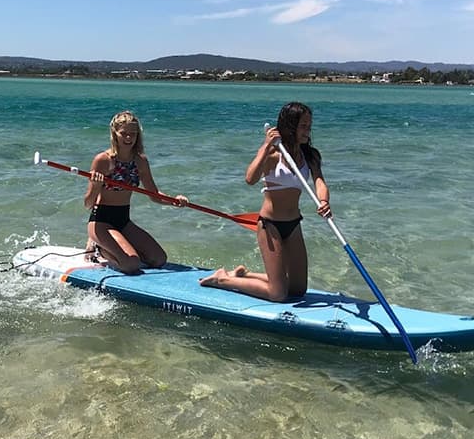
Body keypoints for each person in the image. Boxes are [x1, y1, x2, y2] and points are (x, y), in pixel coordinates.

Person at [199, 102, 331, 301]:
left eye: (309, 126)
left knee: (297, 290)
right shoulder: (272, 155)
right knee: (278, 294)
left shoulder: (310, 155)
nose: (308, 131)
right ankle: (222, 279)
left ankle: (246, 275)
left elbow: (319, 181)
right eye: (303, 126)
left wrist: (323, 201)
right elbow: (250, 178)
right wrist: (266, 145)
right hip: (270, 226)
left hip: (294, 225)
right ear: (290, 127)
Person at [85, 110, 188, 274]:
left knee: (158, 259)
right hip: (101, 221)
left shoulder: (140, 161)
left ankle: (117, 249)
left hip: (123, 220)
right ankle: (98, 247)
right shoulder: (103, 160)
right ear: (114, 133)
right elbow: (88, 203)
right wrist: (96, 185)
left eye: (132, 134)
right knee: (131, 264)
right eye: (123, 133)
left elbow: (154, 195)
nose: (128, 138)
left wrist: (174, 201)